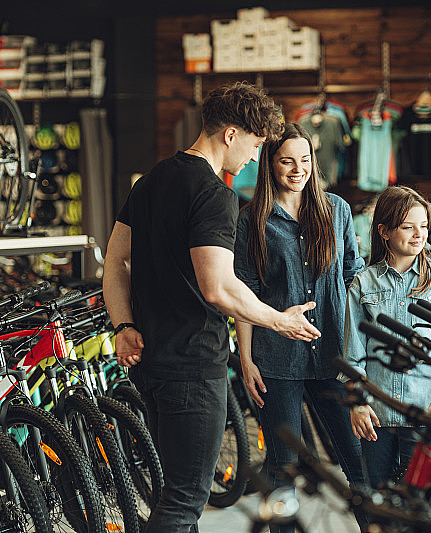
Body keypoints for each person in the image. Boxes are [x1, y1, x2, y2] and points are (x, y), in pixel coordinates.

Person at [103, 82, 321, 533]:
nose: (256, 158)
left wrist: (123, 324)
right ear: (230, 134)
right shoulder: (215, 195)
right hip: (192, 368)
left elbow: (115, 261)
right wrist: (279, 320)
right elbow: (219, 288)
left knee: (175, 494)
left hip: (153, 364)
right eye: (257, 144)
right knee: (185, 503)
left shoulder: (151, 181)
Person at [233, 123, 367, 533]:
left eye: (305, 160)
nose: (298, 169)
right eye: (287, 161)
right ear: (270, 164)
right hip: (276, 361)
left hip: (333, 358)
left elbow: (353, 279)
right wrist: (246, 360)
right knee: (283, 467)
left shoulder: (337, 210)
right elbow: (245, 295)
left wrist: (361, 353)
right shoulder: (251, 220)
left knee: (359, 464)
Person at [343, 185, 431, 488]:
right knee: (377, 500)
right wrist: (357, 402)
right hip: (376, 416)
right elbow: (352, 353)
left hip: (424, 411)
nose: (418, 234)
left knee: (423, 503)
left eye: (423, 226)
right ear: (384, 231)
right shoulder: (363, 283)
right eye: (408, 226)